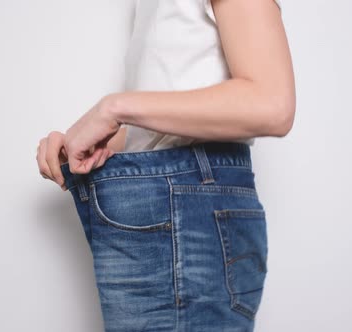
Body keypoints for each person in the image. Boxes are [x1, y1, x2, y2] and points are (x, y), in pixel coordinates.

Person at [36, 0, 295, 330]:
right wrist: (82, 143)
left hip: (187, 205)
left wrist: (112, 109)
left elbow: (272, 105)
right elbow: (158, 131)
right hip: (170, 202)